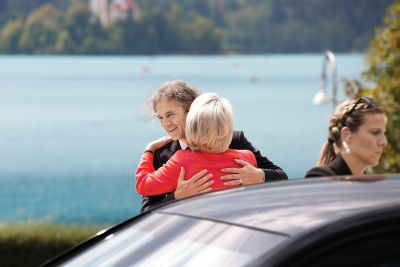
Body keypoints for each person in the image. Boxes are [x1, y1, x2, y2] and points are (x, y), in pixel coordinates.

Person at [138, 80, 287, 212]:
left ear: (191, 111)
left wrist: (259, 176)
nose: (165, 123)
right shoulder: (160, 154)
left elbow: (281, 177)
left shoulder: (235, 140)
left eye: (170, 115)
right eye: (161, 117)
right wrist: (176, 197)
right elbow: (146, 211)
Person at [136, 93, 257, 195]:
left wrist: (148, 150)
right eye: (161, 117)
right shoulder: (248, 157)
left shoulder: (182, 159)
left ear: (192, 124)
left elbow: (143, 186)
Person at [305, 96, 387, 177]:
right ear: (346, 134)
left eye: (383, 133)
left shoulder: (368, 185)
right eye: (375, 132)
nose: (384, 142)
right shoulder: (321, 178)